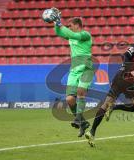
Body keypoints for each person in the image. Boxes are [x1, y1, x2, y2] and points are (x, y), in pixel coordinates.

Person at [85, 32, 134, 147]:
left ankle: (92, 131)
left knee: (105, 104)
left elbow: (129, 67)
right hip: (126, 78)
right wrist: (130, 71)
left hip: (120, 77)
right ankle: (115, 107)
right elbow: (125, 55)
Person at [50, 8, 94, 137]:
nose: (69, 28)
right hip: (74, 70)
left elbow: (72, 34)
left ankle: (78, 118)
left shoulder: (85, 35)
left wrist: (60, 23)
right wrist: (55, 22)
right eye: (68, 26)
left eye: (70, 26)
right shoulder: (70, 36)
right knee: (69, 99)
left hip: (86, 68)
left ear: (77, 25)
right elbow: (59, 32)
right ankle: (82, 122)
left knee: (80, 92)